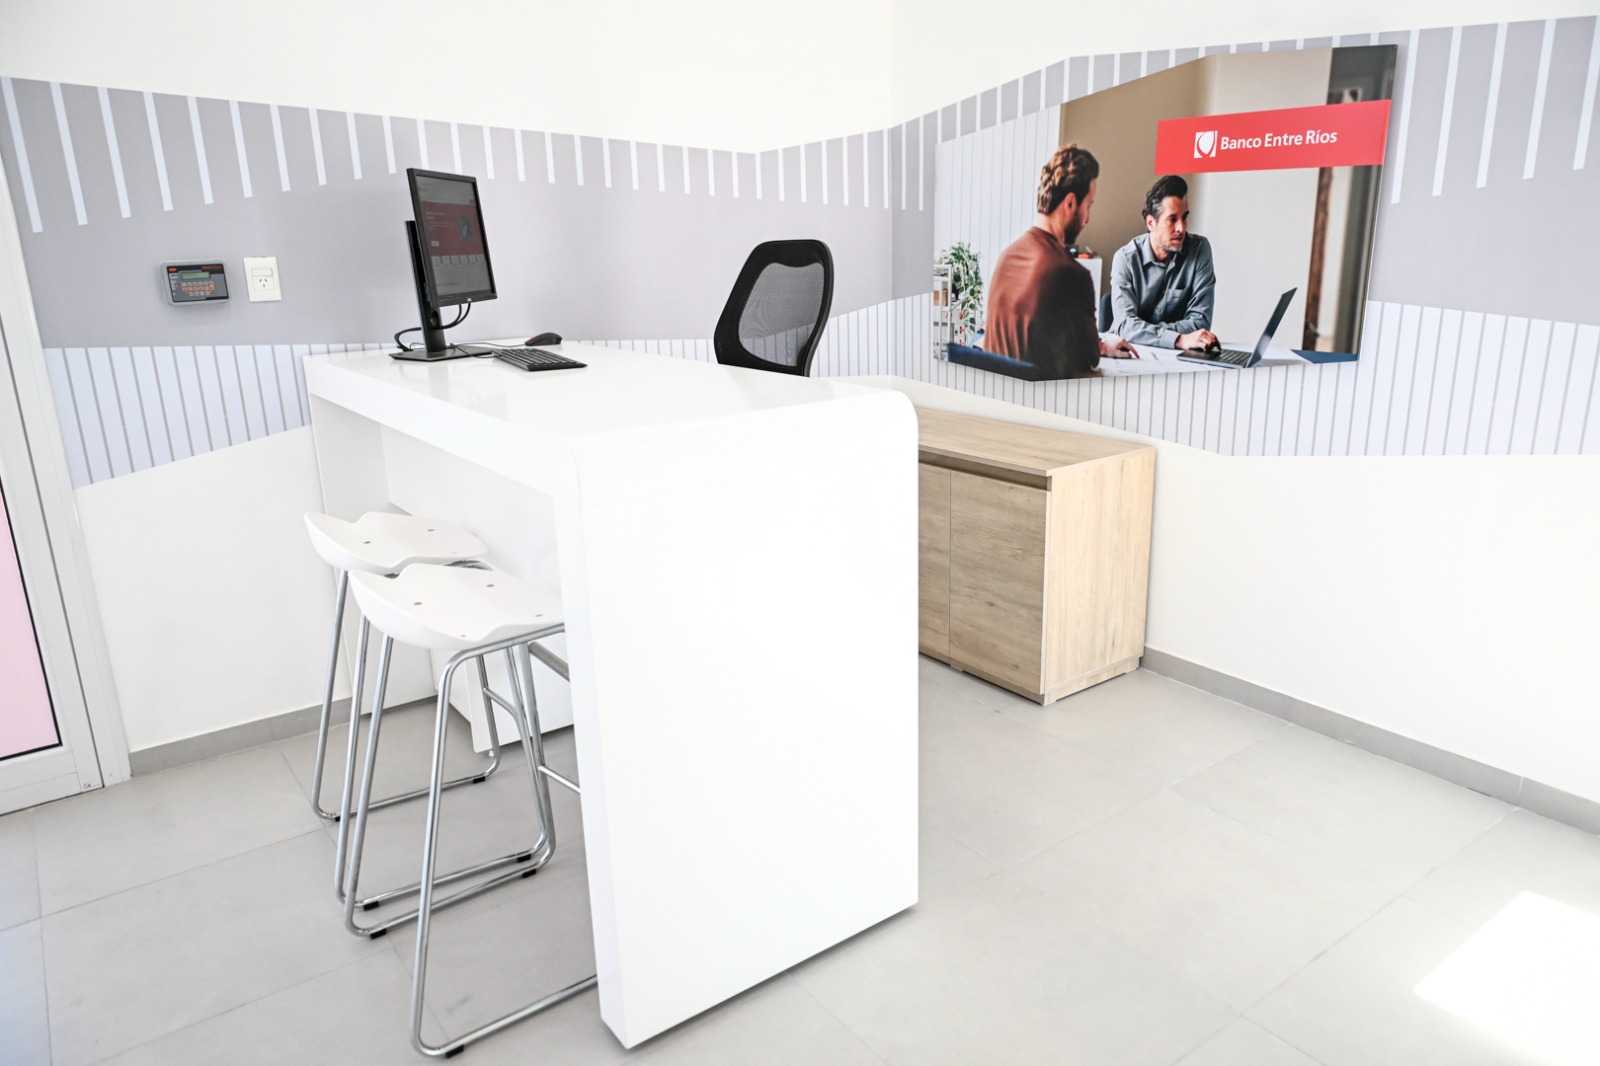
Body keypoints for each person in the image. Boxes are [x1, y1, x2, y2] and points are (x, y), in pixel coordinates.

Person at [984, 143, 1137, 377]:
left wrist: (1102, 345)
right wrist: (1097, 349)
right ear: (1070, 203)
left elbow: (1037, 340)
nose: (1087, 218)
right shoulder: (1071, 274)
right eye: (1088, 206)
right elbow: (1088, 359)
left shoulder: (1006, 257)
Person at [1109, 175, 1217, 350]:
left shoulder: (1199, 250)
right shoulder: (1125, 259)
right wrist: (1179, 339)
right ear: (1151, 223)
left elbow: (1200, 323)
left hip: (1176, 357)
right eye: (1172, 219)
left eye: (1184, 217)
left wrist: (1143, 331)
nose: (1181, 227)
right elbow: (1125, 327)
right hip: (1130, 352)